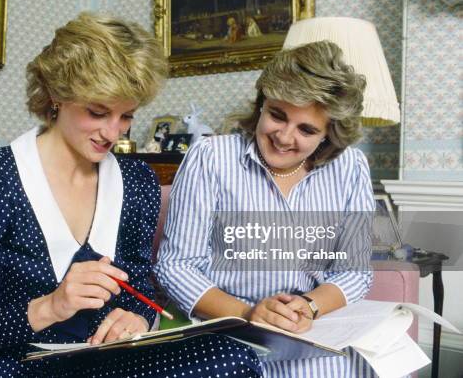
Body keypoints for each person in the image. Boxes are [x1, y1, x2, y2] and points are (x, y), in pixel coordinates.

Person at [0, 12, 262, 378]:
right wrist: (52, 306)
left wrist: (139, 318)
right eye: (98, 112)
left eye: (126, 115)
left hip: (110, 362)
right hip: (22, 364)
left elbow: (138, 292)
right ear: (57, 95)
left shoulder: (137, 181)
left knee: (233, 354)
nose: (112, 132)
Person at [155, 40, 376, 377]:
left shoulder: (350, 167)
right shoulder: (210, 158)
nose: (285, 137)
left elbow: (355, 271)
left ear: (328, 135)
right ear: (261, 104)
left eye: (307, 129)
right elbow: (176, 267)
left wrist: (310, 306)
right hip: (230, 337)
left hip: (315, 336)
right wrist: (249, 314)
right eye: (277, 115)